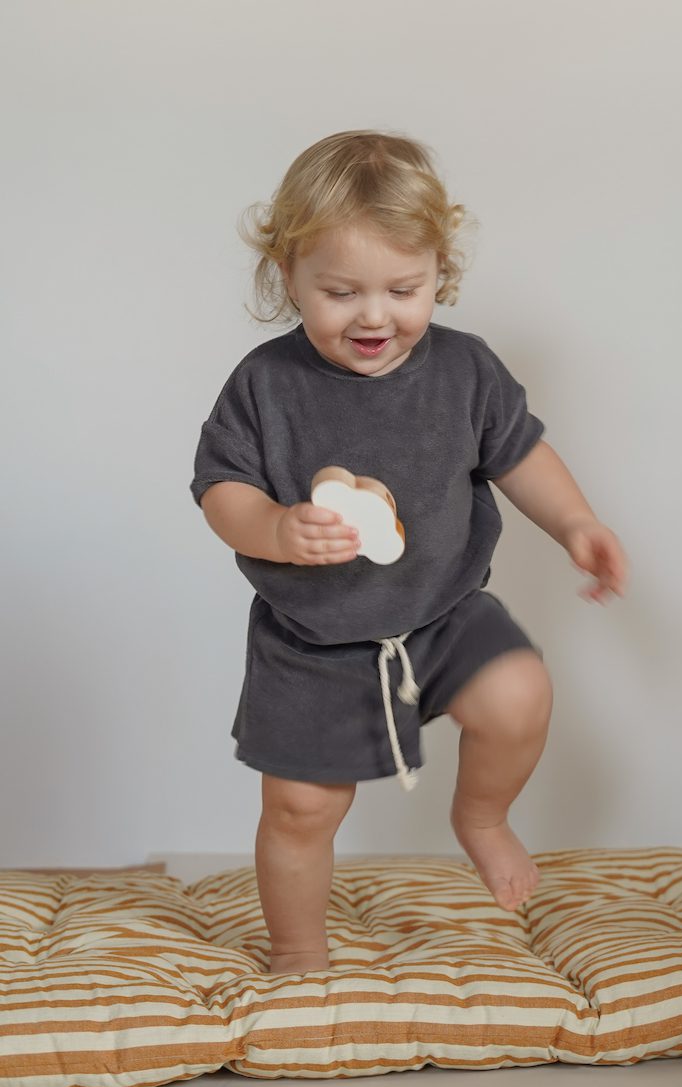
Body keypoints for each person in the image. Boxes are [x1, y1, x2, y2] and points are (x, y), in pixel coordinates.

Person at [190, 131, 628, 975]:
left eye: (405, 288)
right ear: (289, 278)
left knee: (518, 691)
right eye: (341, 291)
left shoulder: (465, 371)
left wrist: (577, 523)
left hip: (443, 613)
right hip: (312, 640)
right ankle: (299, 956)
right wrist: (276, 528)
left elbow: (520, 454)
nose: (374, 315)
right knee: (298, 809)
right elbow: (221, 492)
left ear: (440, 274)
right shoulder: (264, 385)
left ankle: (483, 818)